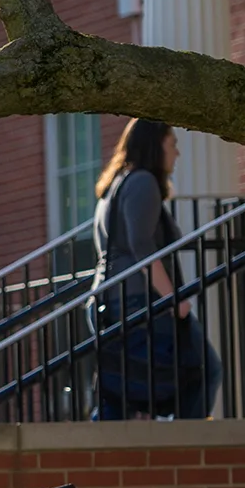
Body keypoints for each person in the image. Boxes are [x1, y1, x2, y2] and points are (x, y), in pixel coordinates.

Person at [89, 118, 222, 419]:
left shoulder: (116, 185)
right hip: (138, 301)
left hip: (114, 299)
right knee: (204, 369)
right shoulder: (142, 182)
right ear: (155, 145)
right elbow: (142, 248)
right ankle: (188, 444)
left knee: (128, 386)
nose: (177, 153)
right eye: (172, 144)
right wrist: (173, 299)